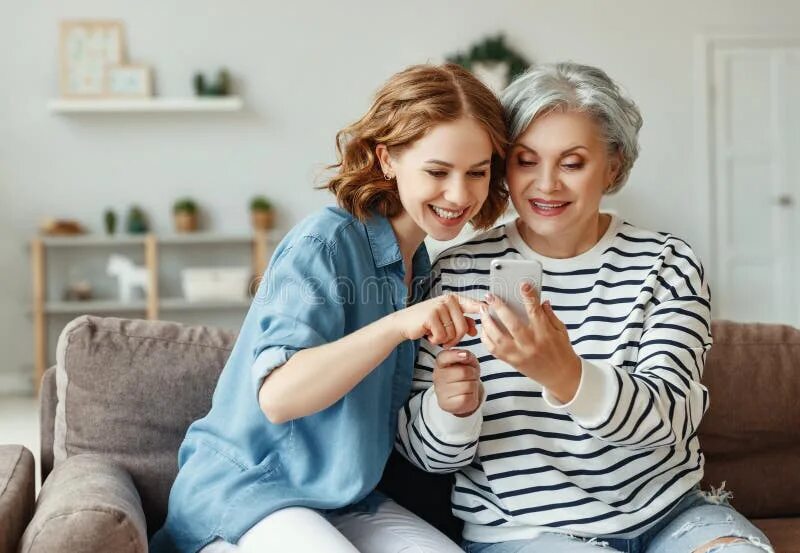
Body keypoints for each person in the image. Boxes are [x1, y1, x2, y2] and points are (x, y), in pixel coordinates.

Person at [397, 62, 774, 553]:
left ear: (613, 166)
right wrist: (450, 409)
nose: (546, 184)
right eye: (526, 161)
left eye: (572, 163)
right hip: (526, 532)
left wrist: (565, 375)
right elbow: (424, 454)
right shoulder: (457, 271)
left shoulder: (665, 263)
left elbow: (672, 416)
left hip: (671, 516)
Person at [148, 63, 509, 553]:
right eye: (437, 171)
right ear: (387, 159)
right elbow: (278, 396)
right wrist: (398, 324)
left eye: (477, 172)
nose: (459, 194)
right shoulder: (325, 243)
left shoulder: (422, 266)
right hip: (250, 494)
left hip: (345, 501)